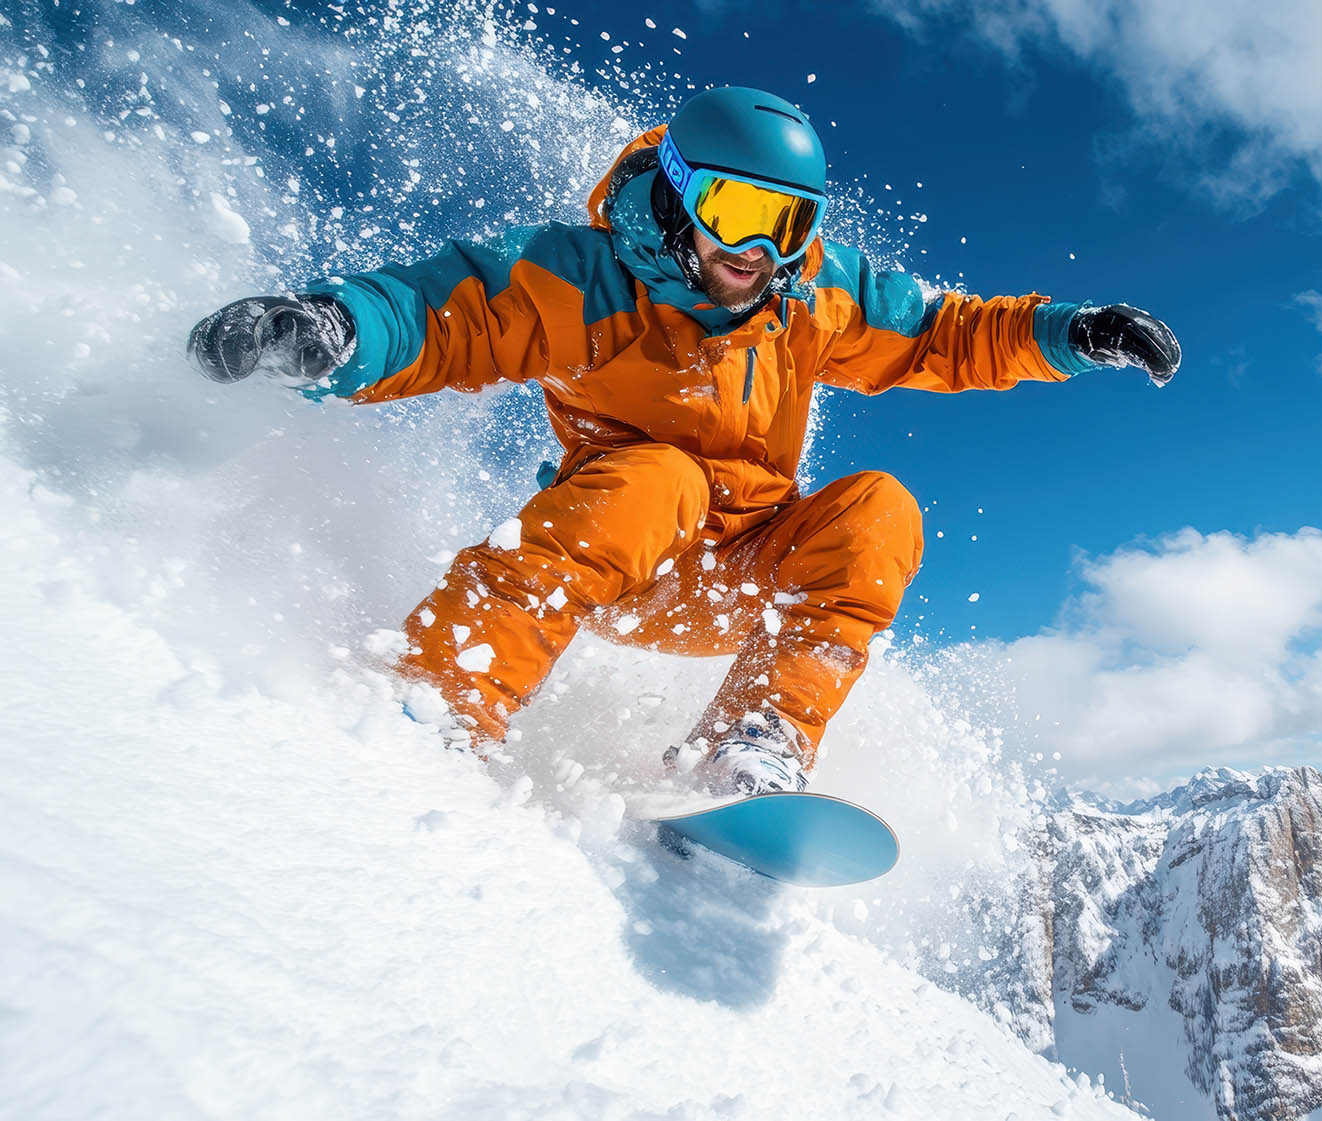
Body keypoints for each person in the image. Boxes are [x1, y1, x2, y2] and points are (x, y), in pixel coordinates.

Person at [186, 86, 1180, 797]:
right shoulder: (587, 279)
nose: (758, 251)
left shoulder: (812, 295)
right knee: (662, 474)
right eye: (735, 213)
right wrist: (336, 330)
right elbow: (450, 312)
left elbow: (937, 332)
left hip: (747, 577)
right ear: (677, 191)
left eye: (788, 223)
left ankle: (755, 743)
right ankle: (442, 696)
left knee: (879, 508)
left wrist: (1070, 332)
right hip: (619, 555)